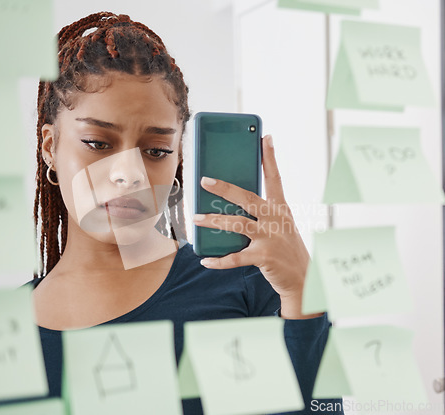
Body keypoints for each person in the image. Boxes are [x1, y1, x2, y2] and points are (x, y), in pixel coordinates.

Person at [29, 11, 343, 415]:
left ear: (178, 157)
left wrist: (303, 297)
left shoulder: (246, 284)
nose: (129, 174)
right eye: (98, 142)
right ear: (50, 146)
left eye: (156, 151)